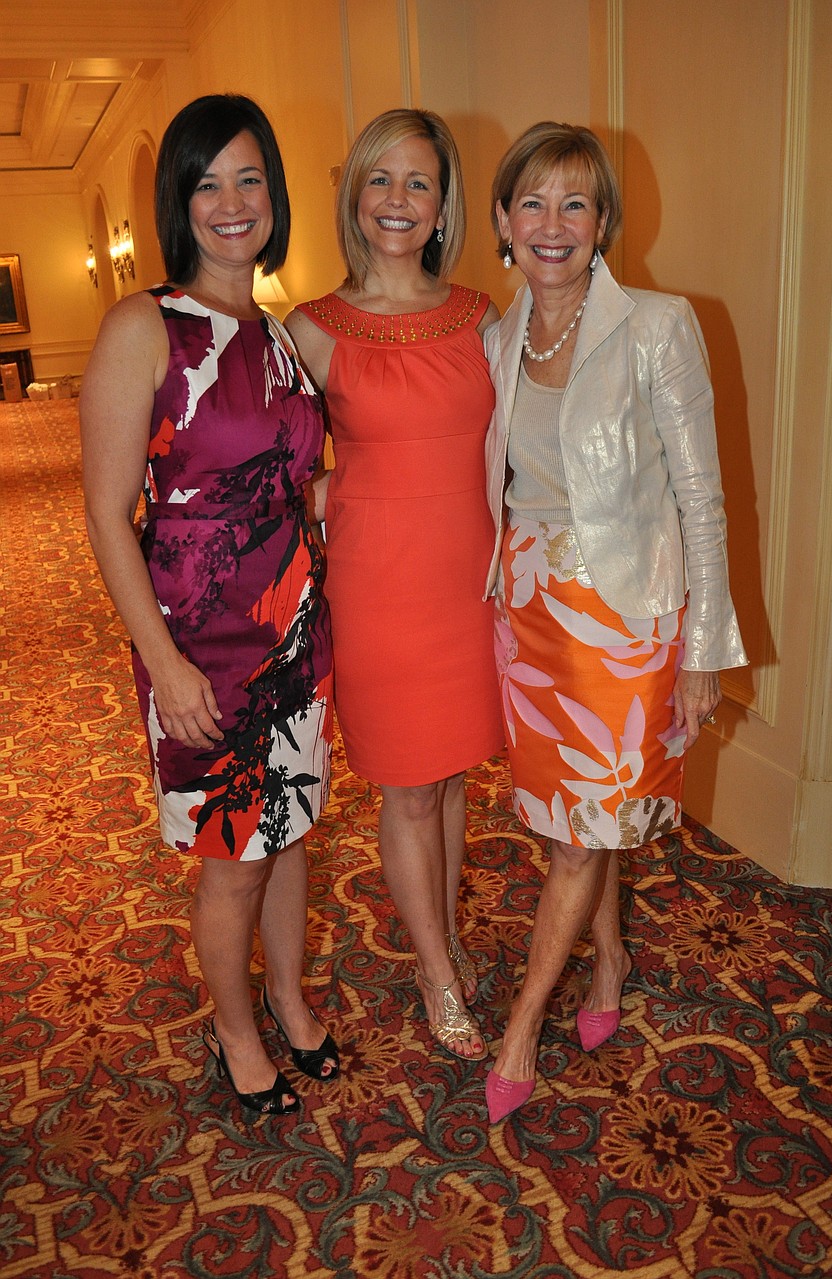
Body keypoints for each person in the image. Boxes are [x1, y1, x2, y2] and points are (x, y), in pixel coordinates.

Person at [80, 94, 339, 1117]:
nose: (232, 203)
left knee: (290, 832)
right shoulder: (144, 326)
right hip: (199, 642)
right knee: (233, 859)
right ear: (176, 204)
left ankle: (287, 995)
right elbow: (107, 514)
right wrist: (164, 660)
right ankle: (236, 1029)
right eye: (207, 184)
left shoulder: (275, 331)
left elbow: (296, 479)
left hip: (294, 631)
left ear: (273, 194)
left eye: (249, 179)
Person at [482, 122, 746, 1122]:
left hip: (628, 627)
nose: (553, 224)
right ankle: (609, 962)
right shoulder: (495, 338)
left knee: (584, 841)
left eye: (575, 204)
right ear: (504, 221)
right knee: (567, 825)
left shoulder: (658, 326)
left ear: (602, 224)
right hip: (532, 620)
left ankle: (520, 1027)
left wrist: (702, 649)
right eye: (533, 204)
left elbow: (702, 497)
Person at [286, 108, 502, 1062]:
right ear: (353, 195)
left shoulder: (484, 315)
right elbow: (269, 466)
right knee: (410, 789)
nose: (399, 201)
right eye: (381, 179)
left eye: (419, 182)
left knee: (450, 776)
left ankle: (440, 933)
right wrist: (331, 486)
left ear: (446, 203)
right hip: (380, 585)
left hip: (471, 578)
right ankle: (435, 970)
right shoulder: (312, 329)